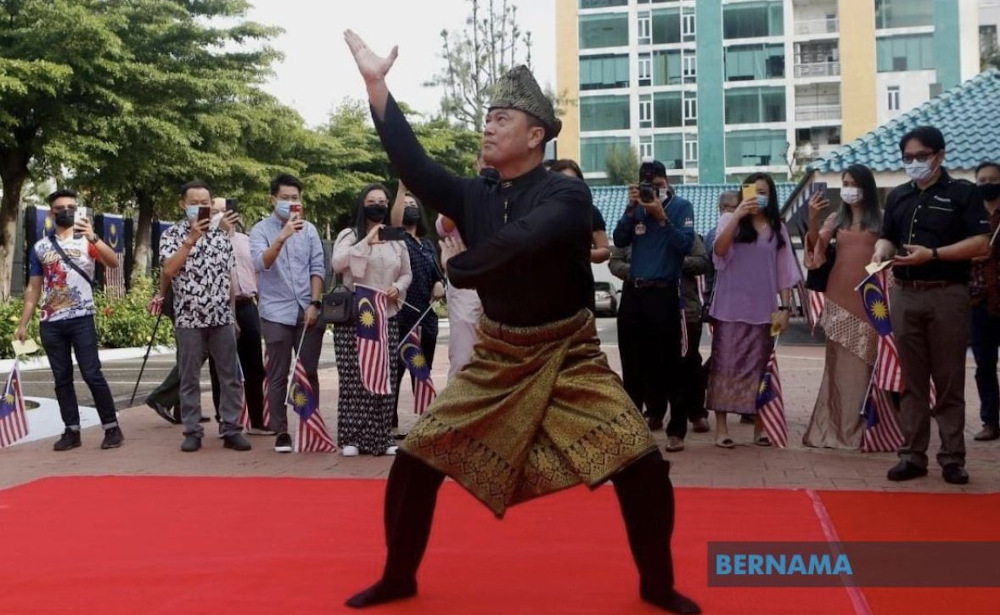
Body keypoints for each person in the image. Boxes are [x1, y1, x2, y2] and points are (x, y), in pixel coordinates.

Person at [343, 31, 699, 614]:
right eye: (486, 117)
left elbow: (519, 241)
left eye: (500, 118)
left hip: (570, 353)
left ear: (535, 135)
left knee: (641, 465)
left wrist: (459, 271)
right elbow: (410, 161)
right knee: (415, 460)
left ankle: (658, 585)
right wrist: (377, 85)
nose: (487, 127)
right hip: (498, 355)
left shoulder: (563, 193)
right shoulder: (470, 192)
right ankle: (399, 575)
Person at [872, 126, 991, 484]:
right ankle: (912, 455)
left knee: (949, 378)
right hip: (905, 294)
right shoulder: (897, 196)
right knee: (911, 381)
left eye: (921, 156)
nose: (914, 163)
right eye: (907, 158)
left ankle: (952, 458)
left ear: (939, 155)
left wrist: (933, 255)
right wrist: (882, 252)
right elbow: (887, 238)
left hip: (947, 293)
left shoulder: (963, 193)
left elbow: (982, 243)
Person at [15, 190, 124, 451]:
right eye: (61, 207)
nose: (66, 210)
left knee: (91, 373)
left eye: (71, 206)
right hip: (51, 322)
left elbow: (113, 263)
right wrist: (23, 323)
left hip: (81, 318)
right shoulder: (40, 247)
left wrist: (94, 236)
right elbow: (33, 287)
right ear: (52, 212)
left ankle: (111, 428)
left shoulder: (86, 241)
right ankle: (71, 430)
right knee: (61, 378)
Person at [707, 173, 801, 448]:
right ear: (743, 193)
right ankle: (721, 429)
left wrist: (784, 308)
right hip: (729, 308)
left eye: (764, 192)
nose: (759, 196)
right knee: (724, 367)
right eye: (754, 190)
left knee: (761, 369)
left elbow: (784, 272)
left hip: (765, 310)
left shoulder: (777, 227)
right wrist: (736, 215)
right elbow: (720, 252)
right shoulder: (729, 220)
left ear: (771, 197)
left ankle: (759, 428)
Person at [159, 180, 251, 453]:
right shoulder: (171, 235)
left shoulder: (222, 237)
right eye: (194, 203)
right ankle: (192, 430)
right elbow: (168, 270)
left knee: (230, 376)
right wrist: (190, 241)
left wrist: (233, 316)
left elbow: (229, 279)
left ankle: (232, 428)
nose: (201, 208)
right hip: (189, 318)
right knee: (189, 377)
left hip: (221, 317)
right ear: (182, 205)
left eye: (205, 203)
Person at [612, 160, 696, 449]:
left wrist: (661, 216)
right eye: (647, 185)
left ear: (667, 182)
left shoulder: (681, 207)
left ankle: (676, 429)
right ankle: (633, 429)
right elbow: (619, 239)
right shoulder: (636, 209)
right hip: (634, 293)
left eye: (657, 185)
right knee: (632, 365)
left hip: (663, 292)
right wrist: (631, 208)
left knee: (671, 363)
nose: (653, 190)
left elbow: (685, 246)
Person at [802, 165, 885, 449]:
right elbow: (815, 253)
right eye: (845, 182)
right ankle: (832, 429)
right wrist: (813, 220)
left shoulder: (882, 222)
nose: (848, 187)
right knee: (836, 366)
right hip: (837, 296)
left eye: (853, 183)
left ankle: (860, 431)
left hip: (870, 301)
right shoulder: (837, 219)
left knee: (865, 367)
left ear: (867, 187)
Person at [609, 237, 712, 450]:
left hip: (675, 300)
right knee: (637, 368)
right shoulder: (629, 225)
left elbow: (702, 261)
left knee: (679, 366)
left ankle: (680, 425)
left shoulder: (678, 223)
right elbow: (614, 262)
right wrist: (642, 268)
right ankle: (643, 421)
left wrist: (668, 263)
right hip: (636, 299)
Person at [332, 183, 412, 457]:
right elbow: (338, 264)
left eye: (382, 201)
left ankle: (381, 437)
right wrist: (367, 241)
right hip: (356, 317)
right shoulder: (349, 234)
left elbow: (406, 273)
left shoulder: (397, 239)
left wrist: (398, 289)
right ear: (362, 204)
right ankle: (351, 436)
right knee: (354, 377)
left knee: (384, 376)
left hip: (385, 315)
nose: (377, 205)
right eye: (372, 200)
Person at [250, 174, 327, 453]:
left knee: (309, 370)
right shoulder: (260, 230)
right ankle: (281, 430)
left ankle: (310, 424)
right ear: (273, 200)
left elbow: (318, 267)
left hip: (306, 310)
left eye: (295, 198)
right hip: (275, 312)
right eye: (285, 198)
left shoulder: (310, 230)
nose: (291, 203)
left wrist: (314, 303)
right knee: (278, 373)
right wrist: (281, 237)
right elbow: (261, 263)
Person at [389, 183, 445, 433]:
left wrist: (439, 284)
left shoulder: (427, 244)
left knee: (422, 372)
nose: (410, 209)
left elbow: (438, 274)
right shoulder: (394, 239)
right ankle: (389, 423)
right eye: (405, 206)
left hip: (426, 317)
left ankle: (423, 424)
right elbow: (395, 221)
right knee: (397, 371)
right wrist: (402, 190)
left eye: (414, 205)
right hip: (402, 315)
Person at [436, 155, 489, 380]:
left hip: (504, 280)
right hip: (466, 282)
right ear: (477, 164)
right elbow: (444, 226)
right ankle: (458, 408)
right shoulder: (464, 192)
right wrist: (477, 189)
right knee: (464, 354)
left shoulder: (518, 190)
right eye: (486, 160)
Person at [970, 161, 1000, 442]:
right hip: (979, 301)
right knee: (985, 365)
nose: (987, 184)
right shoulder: (970, 215)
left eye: (992, 179)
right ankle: (991, 421)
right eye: (982, 180)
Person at [548, 158, 611, 265]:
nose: (567, 185)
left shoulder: (590, 211)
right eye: (561, 180)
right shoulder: (539, 209)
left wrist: (582, 254)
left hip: (577, 275)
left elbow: (604, 251)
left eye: (572, 181)